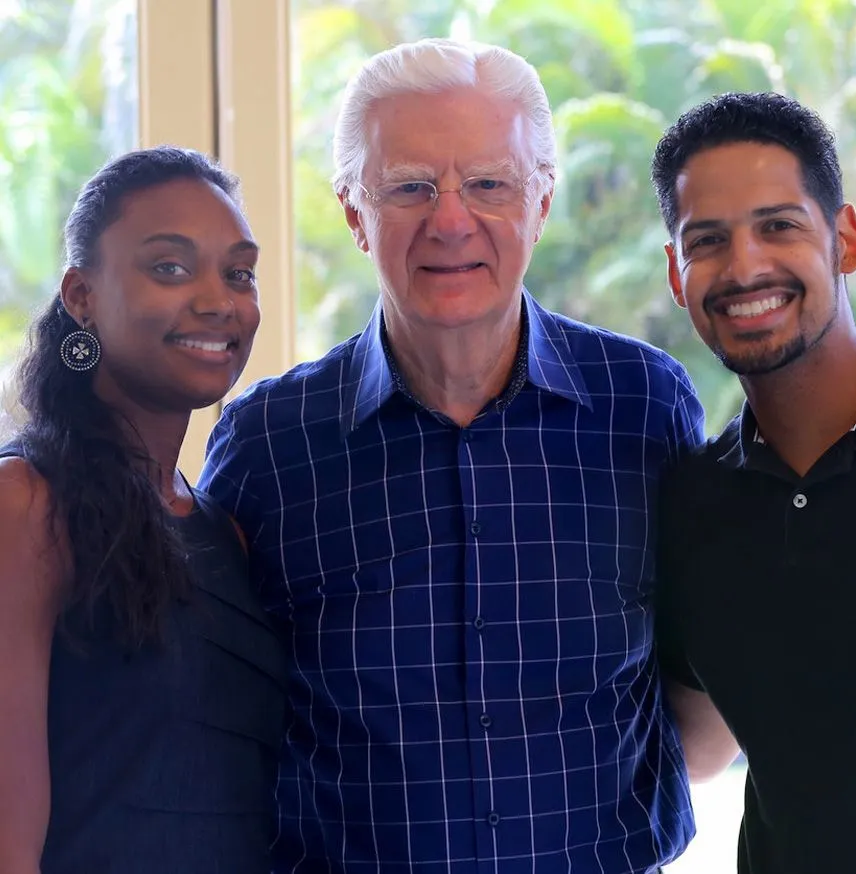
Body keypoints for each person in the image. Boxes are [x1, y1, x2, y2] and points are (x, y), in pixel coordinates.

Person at [200, 38, 702, 874]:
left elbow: (701, 689)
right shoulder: (267, 445)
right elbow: (212, 722)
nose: (450, 220)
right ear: (354, 215)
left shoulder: (645, 408)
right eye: (409, 187)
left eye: (488, 184)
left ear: (541, 202)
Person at [651, 91, 856, 873]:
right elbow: (699, 747)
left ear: (844, 238)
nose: (744, 266)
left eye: (777, 226)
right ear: (676, 274)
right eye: (706, 240)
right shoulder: (693, 502)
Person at [0, 146, 287, 874]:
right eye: (170, 267)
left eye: (239, 273)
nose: (218, 300)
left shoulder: (222, 532)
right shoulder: (26, 505)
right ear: (81, 295)